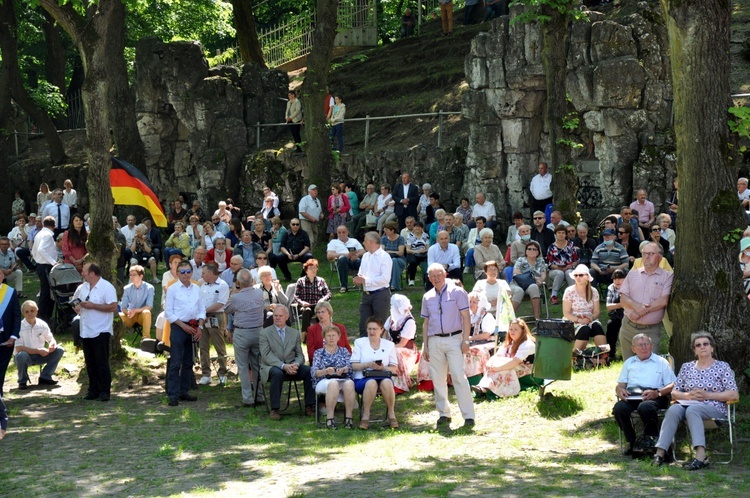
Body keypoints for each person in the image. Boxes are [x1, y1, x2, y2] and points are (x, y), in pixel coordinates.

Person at [652, 332, 739, 469]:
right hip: (688, 404)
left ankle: (701, 456)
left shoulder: (722, 366)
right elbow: (675, 392)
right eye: (698, 345)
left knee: (693, 410)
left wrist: (708, 395)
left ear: (712, 348)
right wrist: (688, 396)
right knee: (674, 409)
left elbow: (734, 394)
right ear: (694, 351)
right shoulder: (687, 367)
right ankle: (660, 453)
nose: (702, 347)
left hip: (714, 408)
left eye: (706, 344)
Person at [421, 263, 475, 429]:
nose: (436, 279)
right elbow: (425, 322)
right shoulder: (427, 296)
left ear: (444, 275)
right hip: (435, 340)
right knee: (438, 378)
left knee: (459, 376)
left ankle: (468, 415)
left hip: (454, 339)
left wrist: (466, 341)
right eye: (432, 276)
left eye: (439, 275)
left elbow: (466, 317)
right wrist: (426, 346)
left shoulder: (458, 292)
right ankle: (444, 413)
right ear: (429, 278)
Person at [613, 333, 675, 456]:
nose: (644, 348)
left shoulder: (661, 362)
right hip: (633, 396)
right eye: (640, 345)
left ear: (651, 346)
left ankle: (651, 441)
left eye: (646, 344)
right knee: (619, 408)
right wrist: (620, 391)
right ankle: (632, 442)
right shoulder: (629, 363)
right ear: (633, 348)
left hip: (655, 396)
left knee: (645, 407)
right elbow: (620, 385)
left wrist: (657, 393)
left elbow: (672, 385)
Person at [260, 305, 315, 420]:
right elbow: (266, 355)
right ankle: (275, 409)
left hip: (292, 365)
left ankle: (310, 406)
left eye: (280, 316)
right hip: (272, 366)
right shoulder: (264, 333)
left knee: (309, 371)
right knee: (277, 373)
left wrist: (296, 364)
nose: (277, 318)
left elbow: (300, 354)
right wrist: (283, 366)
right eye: (275, 316)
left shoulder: (294, 333)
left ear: (287, 317)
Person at [619, 243, 673, 359]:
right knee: (629, 365)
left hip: (651, 330)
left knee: (650, 368)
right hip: (628, 327)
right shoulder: (633, 274)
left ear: (660, 257)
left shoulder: (668, 276)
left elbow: (663, 301)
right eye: (644, 254)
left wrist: (638, 312)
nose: (647, 256)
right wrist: (636, 306)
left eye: (651, 254)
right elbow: (623, 298)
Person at [73, 263, 117, 401]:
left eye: (84, 271)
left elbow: (113, 307)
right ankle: (93, 390)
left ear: (92, 273)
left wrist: (93, 306)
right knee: (90, 362)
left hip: (100, 329)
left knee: (101, 361)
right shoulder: (82, 287)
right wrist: (77, 307)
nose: (82, 273)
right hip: (86, 329)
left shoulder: (107, 287)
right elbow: (75, 302)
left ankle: (105, 391)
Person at [164, 260, 205, 406]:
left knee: (188, 361)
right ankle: (173, 394)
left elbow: (201, 309)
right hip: (178, 326)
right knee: (176, 361)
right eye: (182, 272)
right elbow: (169, 312)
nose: (185, 274)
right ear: (177, 273)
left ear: (191, 273)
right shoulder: (172, 289)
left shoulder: (196, 289)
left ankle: (184, 391)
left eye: (188, 271)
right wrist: (182, 326)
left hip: (193, 326)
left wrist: (199, 327)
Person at [224, 269, 265, 406]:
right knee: (257, 365)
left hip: (242, 333)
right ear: (252, 281)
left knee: (242, 366)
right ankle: (260, 395)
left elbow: (227, 309)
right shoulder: (260, 293)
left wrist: (235, 292)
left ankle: (247, 398)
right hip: (258, 331)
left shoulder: (236, 297)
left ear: (238, 282)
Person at [351, 316, 399, 429]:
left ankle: (391, 414)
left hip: (383, 376)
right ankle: (366, 415)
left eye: (375, 329)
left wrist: (383, 368)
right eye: (369, 329)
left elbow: (394, 368)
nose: (372, 332)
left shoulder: (389, 345)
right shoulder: (359, 342)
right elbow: (353, 366)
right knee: (371, 383)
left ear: (381, 330)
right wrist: (367, 365)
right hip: (362, 378)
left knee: (387, 383)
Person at [473, 318, 536, 398]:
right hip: (515, 366)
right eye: (511, 329)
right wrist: (490, 363)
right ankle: (483, 386)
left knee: (504, 367)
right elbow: (498, 355)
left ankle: (487, 388)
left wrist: (498, 368)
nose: (512, 332)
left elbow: (515, 361)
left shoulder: (527, 344)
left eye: (515, 329)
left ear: (522, 331)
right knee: (496, 364)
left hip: (529, 372)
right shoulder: (510, 342)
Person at [311, 325, 356, 429]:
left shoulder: (344, 351)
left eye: (333, 335)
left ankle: (349, 418)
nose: (331, 338)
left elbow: (350, 367)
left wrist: (344, 369)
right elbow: (314, 372)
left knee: (349, 384)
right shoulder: (319, 353)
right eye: (328, 336)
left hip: (342, 378)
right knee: (333, 383)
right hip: (324, 380)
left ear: (338, 337)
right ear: (324, 338)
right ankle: (330, 419)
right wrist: (325, 371)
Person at [13, 300, 65, 389]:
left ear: (37, 311)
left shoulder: (42, 324)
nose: (30, 313)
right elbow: (19, 348)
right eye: (27, 312)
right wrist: (38, 351)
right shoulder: (18, 326)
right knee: (21, 355)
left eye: (32, 310)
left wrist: (52, 345)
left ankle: (45, 376)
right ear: (23, 314)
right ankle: (22, 381)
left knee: (59, 350)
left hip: (41, 354)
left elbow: (51, 339)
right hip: (25, 356)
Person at [353, 231, 392, 337]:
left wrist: (365, 281)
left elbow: (385, 279)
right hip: (366, 294)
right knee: (363, 325)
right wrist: (358, 279)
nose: (363, 243)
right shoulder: (365, 256)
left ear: (371, 242)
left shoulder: (385, 257)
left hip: (380, 294)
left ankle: (380, 349)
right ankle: (364, 350)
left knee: (379, 324)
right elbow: (362, 272)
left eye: (365, 241)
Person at [563, 265, 608, 353]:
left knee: (597, 326)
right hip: (573, 320)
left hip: (589, 319)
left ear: (587, 277)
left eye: (581, 275)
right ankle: (576, 356)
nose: (578, 277)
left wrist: (591, 318)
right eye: (576, 275)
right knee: (584, 329)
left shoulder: (593, 291)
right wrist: (579, 320)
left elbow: (597, 311)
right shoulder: (569, 291)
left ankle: (603, 355)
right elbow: (566, 313)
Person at [198, 263, 230, 386]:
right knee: (203, 346)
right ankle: (206, 374)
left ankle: (223, 373)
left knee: (219, 346)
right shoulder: (203, 285)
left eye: (204, 273)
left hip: (216, 316)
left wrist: (204, 311)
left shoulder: (222, 285)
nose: (202, 275)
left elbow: (220, 303)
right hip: (203, 318)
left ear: (211, 273)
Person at [383, 295, 419, 394]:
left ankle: (399, 385)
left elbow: (403, 343)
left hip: (406, 350)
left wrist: (387, 350)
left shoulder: (409, 322)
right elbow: (384, 334)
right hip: (392, 348)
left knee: (395, 352)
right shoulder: (391, 319)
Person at [510, 241, 547, 320]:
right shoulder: (520, 260)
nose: (532, 251)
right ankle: (510, 318)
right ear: (526, 251)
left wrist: (540, 280)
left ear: (538, 252)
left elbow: (543, 274)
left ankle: (537, 319)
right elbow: (516, 273)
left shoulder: (540, 261)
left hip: (531, 285)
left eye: (534, 249)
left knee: (534, 287)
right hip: (517, 284)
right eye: (529, 249)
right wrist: (534, 278)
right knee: (519, 291)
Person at [293, 259, 332, 335]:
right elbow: (296, 296)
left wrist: (322, 299)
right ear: (306, 270)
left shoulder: (321, 281)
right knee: (307, 311)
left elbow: (329, 294)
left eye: (315, 268)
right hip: (305, 306)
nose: (313, 270)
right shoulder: (301, 281)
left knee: (321, 311)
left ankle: (324, 333)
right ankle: (305, 335)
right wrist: (302, 302)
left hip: (318, 305)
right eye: (311, 268)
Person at [31, 216, 58, 323]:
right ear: (54, 226)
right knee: (46, 293)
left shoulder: (39, 234)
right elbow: (41, 249)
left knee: (45, 291)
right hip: (46, 266)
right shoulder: (47, 235)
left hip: (41, 265)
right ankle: (42, 316)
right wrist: (53, 262)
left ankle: (44, 316)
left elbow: (34, 251)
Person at [546, 224, 579, 304]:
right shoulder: (551, 247)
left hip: (569, 268)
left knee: (570, 273)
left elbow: (576, 259)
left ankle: (573, 295)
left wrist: (571, 266)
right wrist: (559, 268)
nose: (561, 235)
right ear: (555, 234)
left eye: (563, 233)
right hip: (555, 269)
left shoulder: (571, 245)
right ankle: (554, 296)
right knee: (560, 273)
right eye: (559, 233)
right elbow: (549, 263)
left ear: (566, 234)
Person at [0, 270, 22, 395]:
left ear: (3, 276)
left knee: (1, 369)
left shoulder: (10, 292)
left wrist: (13, 336)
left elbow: (16, 315)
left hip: (6, 337)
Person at [120, 265, 155, 339]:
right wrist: (128, 312)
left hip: (141, 315)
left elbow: (149, 306)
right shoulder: (126, 289)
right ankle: (117, 339)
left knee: (147, 312)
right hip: (129, 315)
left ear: (141, 276)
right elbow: (123, 307)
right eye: (130, 275)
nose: (131, 277)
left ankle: (146, 338)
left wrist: (136, 311)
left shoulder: (149, 288)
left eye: (134, 275)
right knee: (119, 316)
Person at [326, 225, 364, 292]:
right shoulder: (333, 242)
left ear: (347, 232)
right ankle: (344, 286)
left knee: (361, 261)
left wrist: (356, 255)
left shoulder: (354, 241)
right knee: (343, 259)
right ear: (337, 233)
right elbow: (329, 255)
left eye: (343, 232)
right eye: (339, 232)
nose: (341, 234)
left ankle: (361, 282)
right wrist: (346, 255)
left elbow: (363, 252)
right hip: (341, 261)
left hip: (354, 260)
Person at [605, 268, 627, 359]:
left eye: (620, 278)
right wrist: (622, 304)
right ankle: (611, 353)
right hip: (616, 316)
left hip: (629, 316)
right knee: (611, 326)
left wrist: (617, 305)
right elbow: (608, 307)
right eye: (615, 279)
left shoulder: (631, 287)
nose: (617, 281)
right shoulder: (611, 288)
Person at [381, 221, 407, 291]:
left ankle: (392, 284)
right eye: (384, 229)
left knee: (394, 261)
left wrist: (389, 251)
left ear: (392, 230)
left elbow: (401, 252)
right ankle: (393, 285)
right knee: (392, 261)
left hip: (400, 260)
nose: (384, 231)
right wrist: (394, 252)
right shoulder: (384, 239)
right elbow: (382, 251)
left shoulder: (400, 238)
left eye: (386, 229)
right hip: (387, 261)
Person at [299, 185, 325, 249]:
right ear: (309, 191)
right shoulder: (305, 199)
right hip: (306, 221)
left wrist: (321, 215)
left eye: (316, 190)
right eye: (313, 190)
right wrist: (311, 218)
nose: (315, 191)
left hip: (315, 222)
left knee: (315, 239)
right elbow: (302, 211)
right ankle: (308, 256)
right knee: (310, 240)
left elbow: (320, 210)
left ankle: (310, 253)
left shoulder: (317, 200)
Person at [405, 220, 430, 286]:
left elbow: (427, 247)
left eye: (419, 227)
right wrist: (417, 251)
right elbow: (408, 250)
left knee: (428, 261)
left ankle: (426, 280)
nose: (417, 228)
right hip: (412, 253)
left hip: (423, 253)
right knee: (413, 262)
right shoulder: (410, 236)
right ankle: (412, 280)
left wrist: (425, 250)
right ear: (413, 227)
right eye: (416, 226)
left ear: (422, 228)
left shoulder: (425, 235)